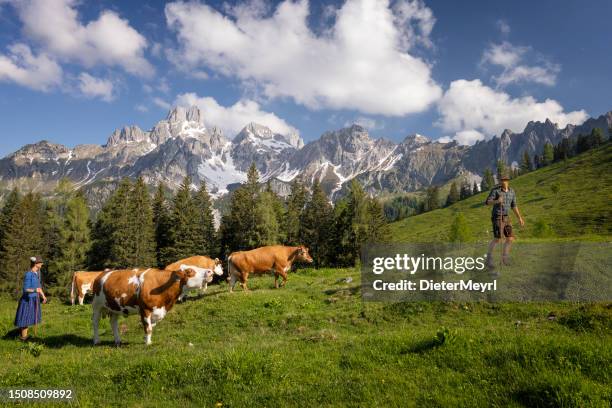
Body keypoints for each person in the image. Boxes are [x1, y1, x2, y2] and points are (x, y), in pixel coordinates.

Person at [485, 172, 525, 268]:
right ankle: (488, 259)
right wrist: (497, 201)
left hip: (506, 217)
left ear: (508, 181)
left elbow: (514, 206)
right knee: (498, 239)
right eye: (501, 180)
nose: (503, 182)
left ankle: (505, 258)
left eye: (505, 180)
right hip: (497, 216)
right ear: (499, 181)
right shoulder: (496, 191)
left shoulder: (512, 191)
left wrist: (519, 218)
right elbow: (487, 202)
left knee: (510, 238)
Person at [14, 256, 47, 341]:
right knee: (25, 319)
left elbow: (39, 287)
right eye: (40, 263)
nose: (42, 264)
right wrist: (35, 290)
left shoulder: (37, 273)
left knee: (30, 318)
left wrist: (43, 296)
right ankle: (24, 338)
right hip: (27, 300)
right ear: (36, 264)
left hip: (35, 299)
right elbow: (25, 289)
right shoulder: (29, 274)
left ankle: (27, 337)